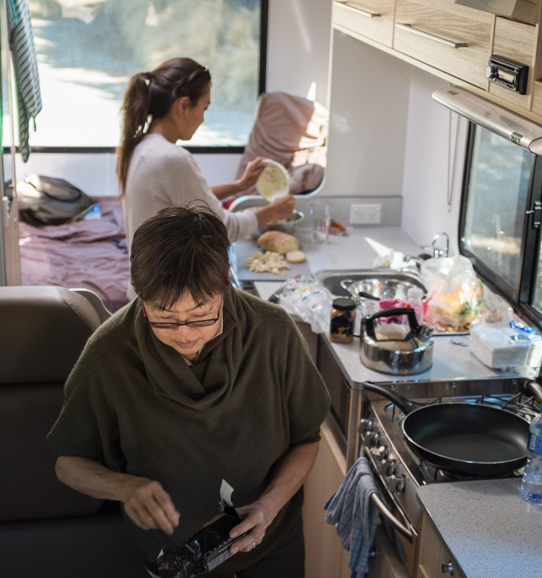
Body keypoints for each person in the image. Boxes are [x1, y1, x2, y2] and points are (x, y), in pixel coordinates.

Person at [47, 204, 330, 578]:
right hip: (172, 558)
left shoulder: (273, 333)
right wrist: (125, 487)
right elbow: (68, 464)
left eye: (201, 314)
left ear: (225, 285)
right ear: (140, 295)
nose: (184, 333)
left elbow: (307, 438)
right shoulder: (109, 355)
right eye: (163, 316)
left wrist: (267, 506)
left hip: (271, 546)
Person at [117, 58, 296, 293]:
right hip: (167, 299)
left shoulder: (141, 147)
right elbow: (222, 230)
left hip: (146, 289)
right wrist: (272, 212)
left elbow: (184, 200)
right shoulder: (172, 158)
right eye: (204, 108)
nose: (203, 118)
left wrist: (241, 185)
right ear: (183, 106)